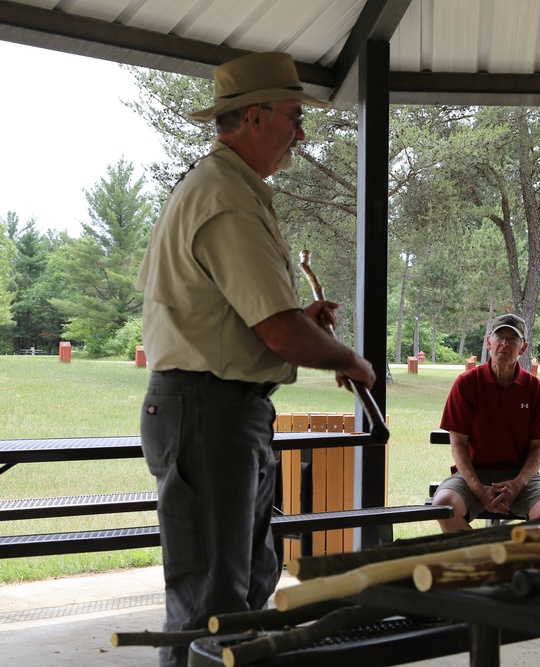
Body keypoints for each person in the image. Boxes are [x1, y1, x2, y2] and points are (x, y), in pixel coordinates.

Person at [136, 51, 375, 667]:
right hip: (207, 411)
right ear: (255, 117)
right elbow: (277, 333)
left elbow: (255, 320)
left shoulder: (229, 188)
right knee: (212, 609)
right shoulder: (226, 196)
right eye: (295, 116)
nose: (301, 131)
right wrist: (347, 358)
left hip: (221, 409)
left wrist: (303, 326)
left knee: (243, 588)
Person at [432, 313, 540, 531]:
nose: (505, 343)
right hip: (473, 473)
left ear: (523, 348)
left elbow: (539, 446)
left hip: (521, 476)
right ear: (488, 342)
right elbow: (458, 444)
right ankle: (485, 558)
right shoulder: (467, 384)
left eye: (513, 339)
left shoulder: (536, 389)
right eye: (499, 336)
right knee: (443, 505)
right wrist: (477, 488)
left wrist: (518, 484)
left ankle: (517, 562)